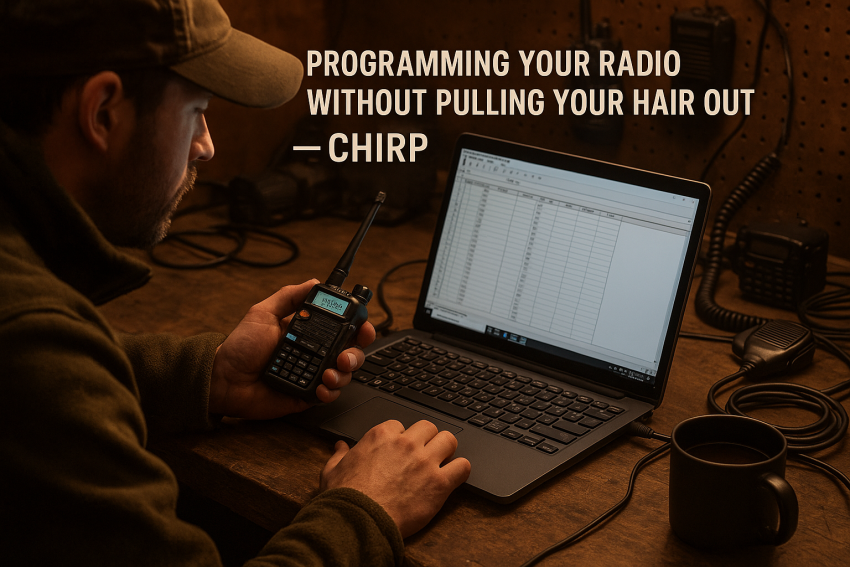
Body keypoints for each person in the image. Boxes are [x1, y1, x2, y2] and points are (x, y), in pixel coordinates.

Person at [0, 0, 471, 565]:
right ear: (102, 112)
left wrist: (209, 376)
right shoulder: (31, 342)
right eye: (196, 109)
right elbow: (43, 372)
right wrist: (364, 508)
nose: (206, 144)